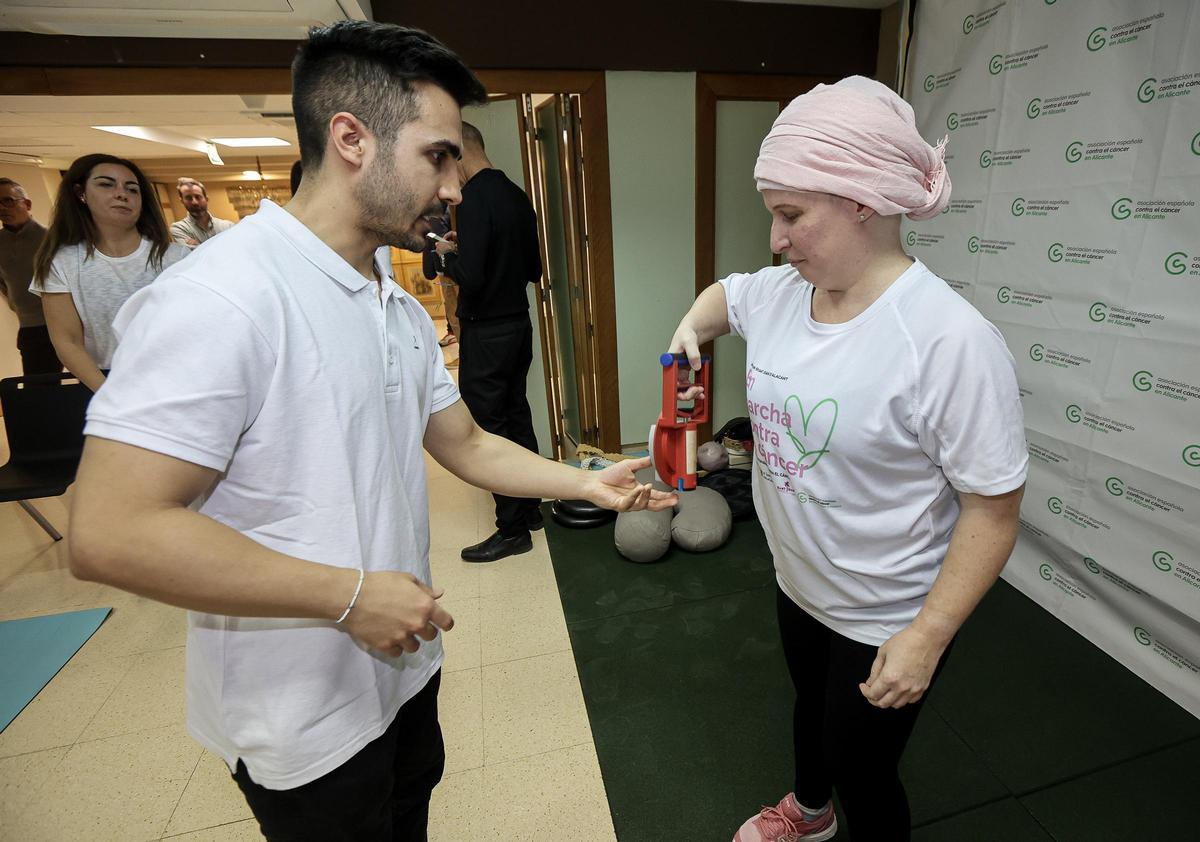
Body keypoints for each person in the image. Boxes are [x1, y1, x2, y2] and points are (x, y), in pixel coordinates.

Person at [67, 22, 673, 842]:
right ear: (352, 139)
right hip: (303, 717)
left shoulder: (386, 292)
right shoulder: (220, 297)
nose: (456, 185)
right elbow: (108, 532)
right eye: (437, 155)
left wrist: (583, 480)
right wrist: (347, 595)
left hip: (401, 667)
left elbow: (463, 442)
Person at [668, 77, 1027, 842]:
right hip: (801, 579)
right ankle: (810, 812)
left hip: (889, 609)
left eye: (791, 215)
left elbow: (993, 511)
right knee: (809, 708)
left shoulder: (947, 341)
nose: (775, 238)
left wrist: (927, 637)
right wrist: (686, 337)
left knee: (861, 762)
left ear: (862, 201)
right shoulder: (780, 294)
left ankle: (841, 806)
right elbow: (723, 298)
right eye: (775, 214)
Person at [436, 122, 545, 562]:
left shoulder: (476, 198)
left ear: (461, 153)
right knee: (516, 414)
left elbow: (472, 278)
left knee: (489, 426)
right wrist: (479, 250)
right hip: (518, 325)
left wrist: (448, 256)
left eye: (446, 160)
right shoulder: (518, 195)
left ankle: (512, 529)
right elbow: (533, 268)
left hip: (487, 330)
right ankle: (532, 507)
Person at [30, 154, 189, 392]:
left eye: (132, 189)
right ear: (80, 193)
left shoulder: (177, 257)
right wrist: (110, 395)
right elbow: (67, 342)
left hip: (176, 377)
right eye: (106, 184)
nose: (122, 194)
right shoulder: (62, 263)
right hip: (104, 382)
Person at [0, 177, 61, 374]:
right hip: (29, 327)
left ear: (26, 204)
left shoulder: (51, 239)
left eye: (8, 201)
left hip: (61, 325)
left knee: (86, 384)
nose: (2, 208)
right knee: (38, 391)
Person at [170, 177, 236, 248]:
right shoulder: (179, 229)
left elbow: (237, 249)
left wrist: (199, 247)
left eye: (198, 197)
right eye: (188, 198)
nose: (194, 202)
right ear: (182, 201)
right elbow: (193, 254)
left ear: (206, 198)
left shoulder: (228, 226)